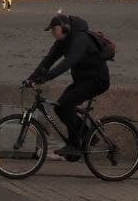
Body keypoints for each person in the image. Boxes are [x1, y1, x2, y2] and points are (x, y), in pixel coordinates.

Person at [25, 13, 110, 159]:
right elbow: (48, 61)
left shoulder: (80, 39)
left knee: (66, 103)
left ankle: (75, 144)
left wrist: (46, 77)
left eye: (54, 30)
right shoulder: (62, 43)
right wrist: (31, 79)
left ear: (64, 28)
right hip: (83, 80)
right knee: (60, 106)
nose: (52, 33)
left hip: (97, 80)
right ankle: (87, 136)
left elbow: (67, 63)